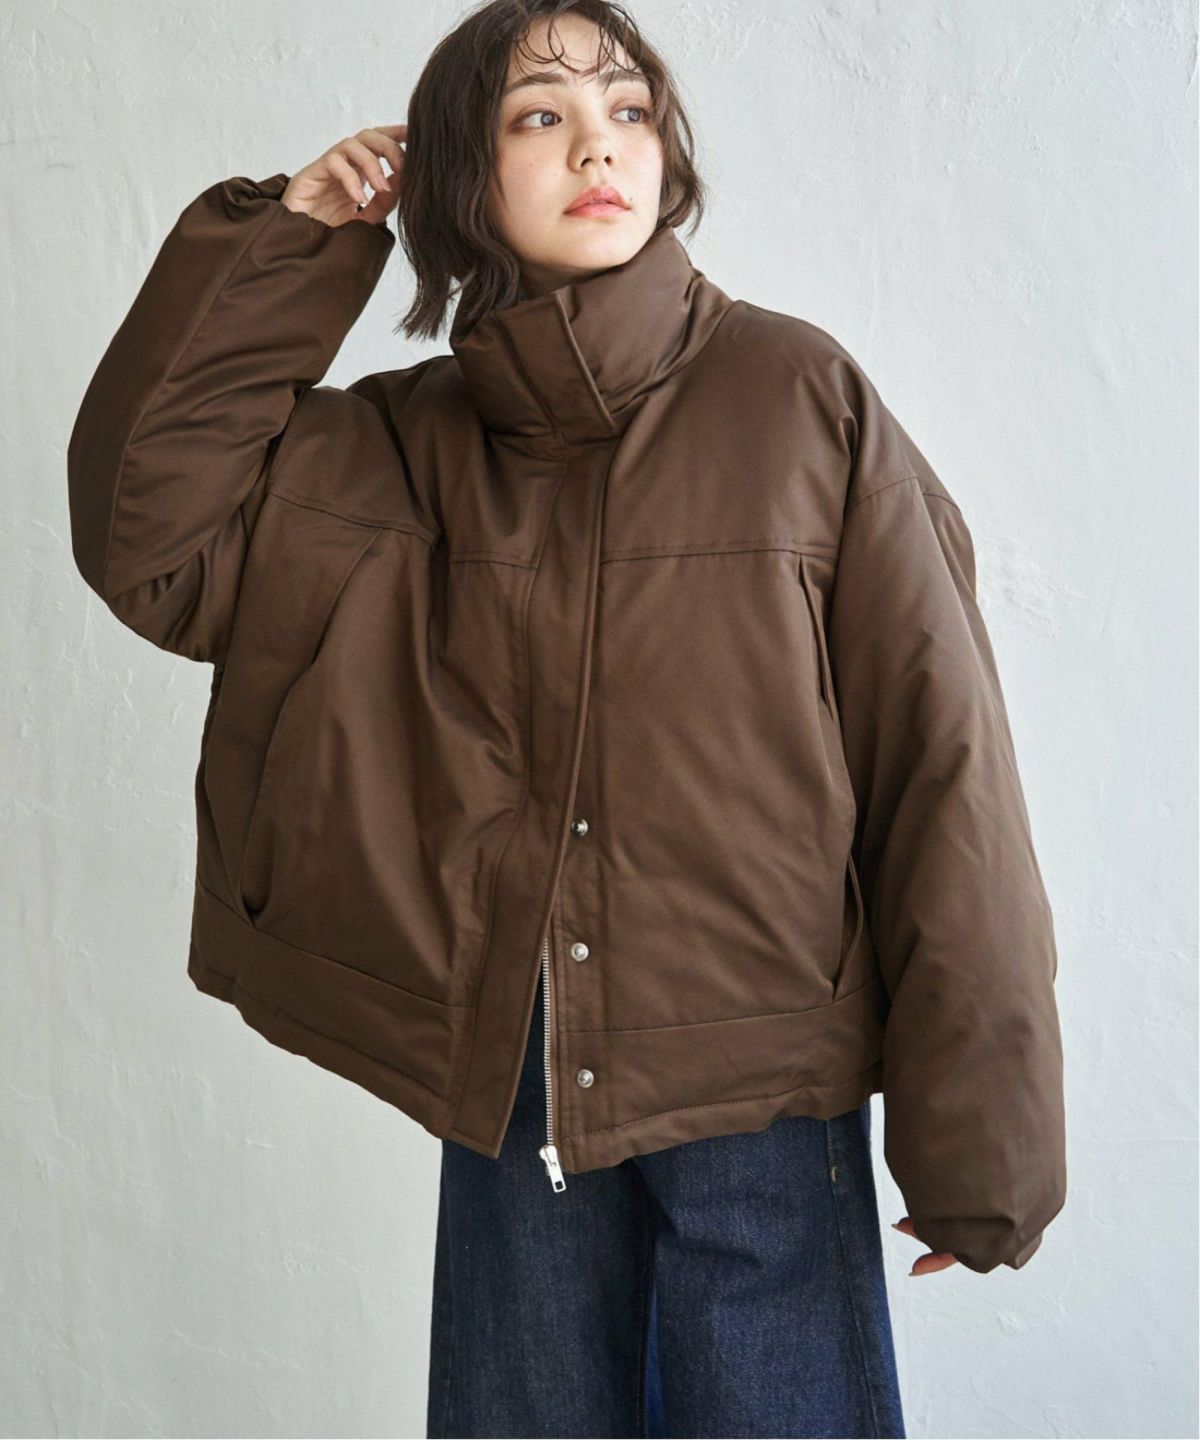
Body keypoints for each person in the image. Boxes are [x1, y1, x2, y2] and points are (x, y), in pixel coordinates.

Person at [66, 0, 1067, 1436]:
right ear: (461, 177)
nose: (601, 144)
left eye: (629, 109)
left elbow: (942, 762)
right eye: (540, 114)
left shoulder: (799, 399)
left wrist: (984, 1140)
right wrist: (295, 242)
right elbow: (150, 539)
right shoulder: (395, 447)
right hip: (510, 1081)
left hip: (760, 1099)